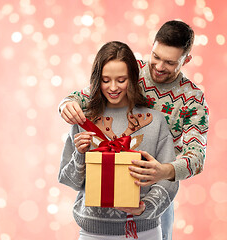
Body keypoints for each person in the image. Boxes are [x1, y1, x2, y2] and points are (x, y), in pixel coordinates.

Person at [59, 20, 209, 240]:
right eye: (155, 56)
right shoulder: (132, 70)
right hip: (101, 207)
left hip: (155, 187)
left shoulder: (192, 99)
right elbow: (88, 95)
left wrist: (163, 171)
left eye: (169, 62)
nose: (158, 67)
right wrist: (66, 103)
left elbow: (197, 157)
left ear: (186, 60)